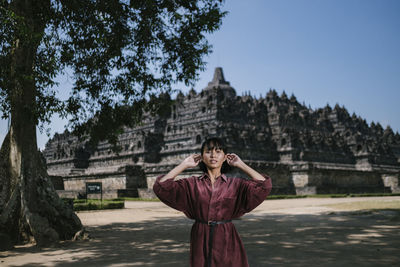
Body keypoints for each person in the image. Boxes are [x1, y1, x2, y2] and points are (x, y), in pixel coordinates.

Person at [153, 137, 272, 267]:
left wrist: (240, 164)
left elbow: (264, 186)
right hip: (200, 235)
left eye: (218, 151)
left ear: (225, 156)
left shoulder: (235, 185)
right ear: (202, 156)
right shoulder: (191, 184)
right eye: (208, 151)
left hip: (226, 236)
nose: (213, 155)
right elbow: (161, 187)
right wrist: (184, 164)